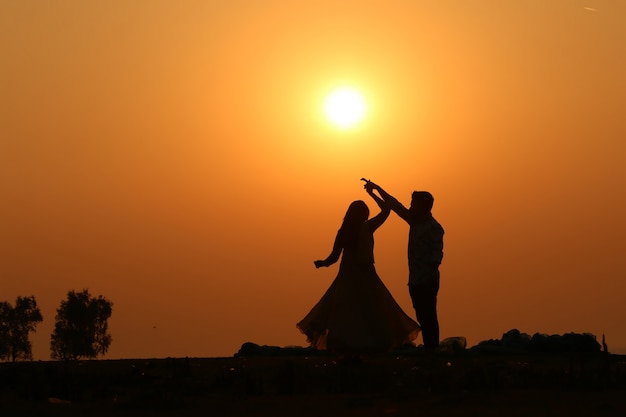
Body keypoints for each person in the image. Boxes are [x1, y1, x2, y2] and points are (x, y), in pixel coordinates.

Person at [297, 187, 420, 357]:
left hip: (348, 275)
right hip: (364, 274)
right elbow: (386, 210)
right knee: (373, 309)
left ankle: (346, 345)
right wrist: (372, 192)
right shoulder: (367, 227)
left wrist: (322, 263)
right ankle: (372, 344)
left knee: (345, 311)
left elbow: (333, 257)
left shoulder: (345, 231)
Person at [363, 179, 444, 351]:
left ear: (422, 206)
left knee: (429, 315)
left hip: (426, 281)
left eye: (413, 204)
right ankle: (431, 348)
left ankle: (432, 349)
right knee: (422, 316)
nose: (410, 207)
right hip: (415, 280)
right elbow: (394, 204)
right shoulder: (414, 222)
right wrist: (377, 189)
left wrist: (427, 275)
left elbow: (437, 256)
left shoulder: (433, 227)